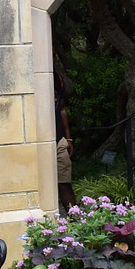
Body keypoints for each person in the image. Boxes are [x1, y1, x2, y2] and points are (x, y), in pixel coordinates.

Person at [53, 63, 75, 214]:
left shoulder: (56, 78)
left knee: (64, 183)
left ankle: (78, 224)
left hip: (58, 140)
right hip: (36, 142)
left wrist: (68, 139)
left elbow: (62, 108)